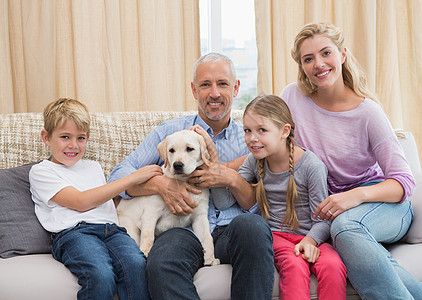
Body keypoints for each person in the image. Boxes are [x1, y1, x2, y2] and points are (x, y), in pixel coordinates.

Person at [280, 22, 422, 299]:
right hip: (335, 215)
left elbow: (404, 182)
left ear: (342, 54)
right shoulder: (292, 98)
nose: (318, 64)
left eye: (325, 53)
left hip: (385, 206)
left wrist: (355, 196)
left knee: (346, 227)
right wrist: (221, 170)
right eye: (308, 58)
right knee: (358, 242)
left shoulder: (368, 113)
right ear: (302, 66)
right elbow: (264, 142)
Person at [108, 52, 274, 299]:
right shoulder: (170, 132)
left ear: (236, 88)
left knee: (254, 227)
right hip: (181, 230)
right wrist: (161, 184)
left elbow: (260, 204)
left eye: (223, 84)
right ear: (194, 90)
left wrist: (231, 178)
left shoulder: (251, 138)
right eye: (205, 84)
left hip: (232, 227)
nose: (214, 93)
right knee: (161, 263)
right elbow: (118, 177)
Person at [29, 98, 160, 299]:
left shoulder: (93, 167)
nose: (73, 145)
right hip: (75, 234)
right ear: (46, 137)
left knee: (137, 265)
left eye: (80, 138)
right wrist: (133, 178)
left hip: (112, 231)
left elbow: (105, 202)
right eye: (65, 137)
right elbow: (82, 202)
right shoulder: (42, 171)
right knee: (101, 274)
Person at [222, 94, 347, 299]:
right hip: (275, 236)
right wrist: (223, 177)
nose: (252, 138)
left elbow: (323, 220)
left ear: (284, 131)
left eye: (262, 130)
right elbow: (225, 201)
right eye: (247, 130)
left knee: (334, 266)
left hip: (309, 236)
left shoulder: (311, 166)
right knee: (294, 263)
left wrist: (310, 241)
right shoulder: (254, 161)